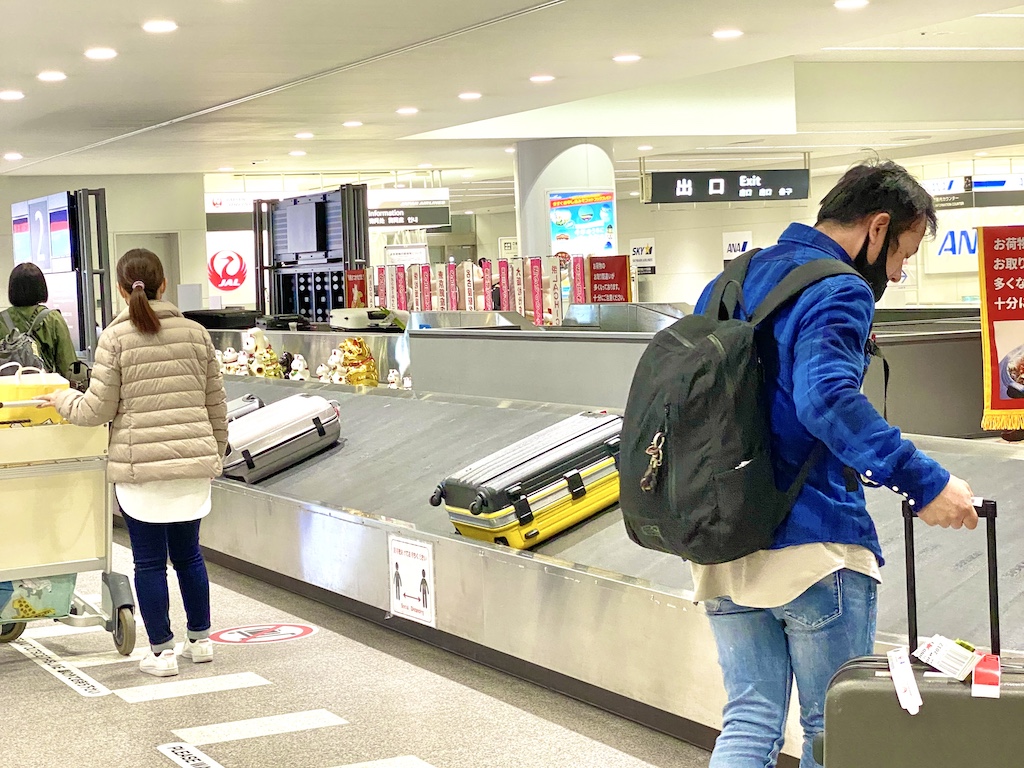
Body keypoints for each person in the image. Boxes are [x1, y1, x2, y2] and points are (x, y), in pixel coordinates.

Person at [691, 161, 979, 768]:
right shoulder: (837, 288)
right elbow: (825, 398)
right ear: (877, 228)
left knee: (749, 722)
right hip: (813, 545)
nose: (898, 274)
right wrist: (927, 483)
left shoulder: (730, 281)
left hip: (721, 538)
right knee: (834, 729)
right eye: (904, 252)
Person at [39, 249, 228, 678]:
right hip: (193, 467)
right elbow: (215, 404)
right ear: (164, 285)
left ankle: (160, 653)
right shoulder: (197, 334)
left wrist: (60, 399)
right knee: (190, 557)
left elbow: (96, 410)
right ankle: (200, 640)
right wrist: (215, 451)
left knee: (147, 562)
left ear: (123, 291)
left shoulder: (115, 338)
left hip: (140, 469)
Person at [2, 262, 79, 376]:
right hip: (45, 389)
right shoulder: (53, 319)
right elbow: (68, 364)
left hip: (9, 390)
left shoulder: (2, 320)